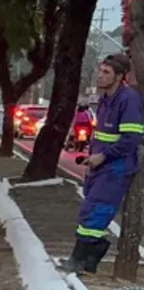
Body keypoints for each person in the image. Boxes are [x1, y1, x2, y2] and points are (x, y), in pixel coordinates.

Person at [62, 53, 144, 274]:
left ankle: (79, 259)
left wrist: (103, 156)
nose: (100, 76)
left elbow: (131, 139)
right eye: (100, 70)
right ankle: (90, 259)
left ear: (119, 76)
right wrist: (92, 158)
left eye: (106, 72)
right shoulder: (105, 100)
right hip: (99, 166)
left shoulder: (128, 99)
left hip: (116, 167)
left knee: (95, 211)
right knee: (90, 210)